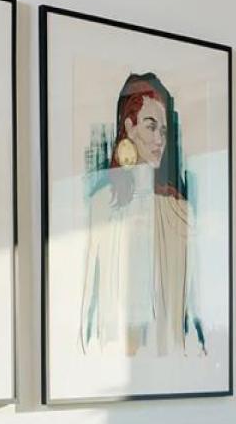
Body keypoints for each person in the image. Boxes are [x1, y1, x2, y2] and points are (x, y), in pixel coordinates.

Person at [80, 73, 202, 357]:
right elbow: (90, 301)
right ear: (129, 127)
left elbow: (191, 306)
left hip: (167, 359)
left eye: (162, 130)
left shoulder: (179, 210)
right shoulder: (102, 204)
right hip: (112, 356)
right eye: (150, 127)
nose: (159, 139)